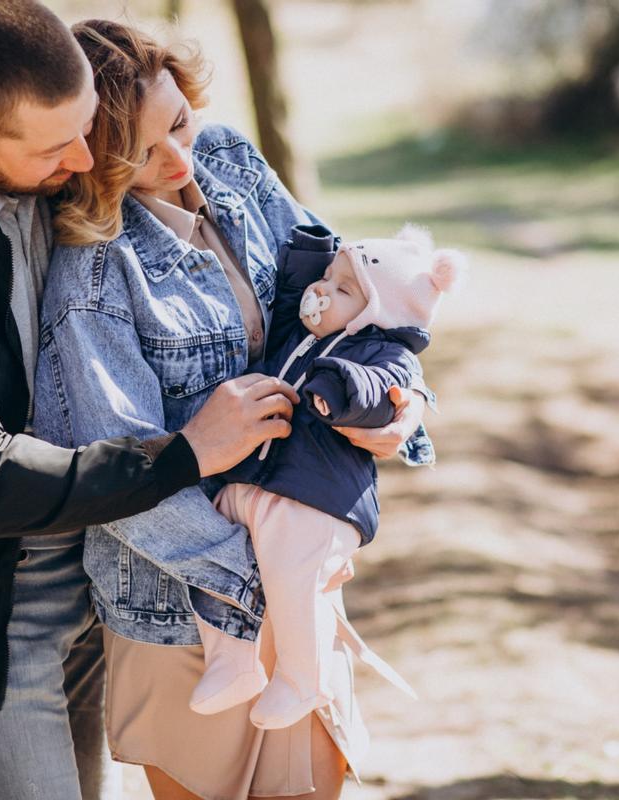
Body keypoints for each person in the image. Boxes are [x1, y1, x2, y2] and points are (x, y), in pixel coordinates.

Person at [0, 2, 301, 798]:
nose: (85, 160)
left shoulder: (23, 115)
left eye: (89, 129)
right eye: (57, 147)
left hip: (96, 557)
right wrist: (184, 453)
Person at [32, 18, 432, 800]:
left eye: (179, 121)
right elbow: (113, 475)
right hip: (180, 605)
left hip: (297, 575)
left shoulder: (231, 160)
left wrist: (404, 403)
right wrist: (267, 575)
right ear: (89, 159)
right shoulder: (92, 275)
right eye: (140, 154)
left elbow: (363, 297)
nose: (180, 161)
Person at [189, 222, 463, 731]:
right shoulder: (304, 331)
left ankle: (303, 676)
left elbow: (381, 393)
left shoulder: (383, 354)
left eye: (342, 288)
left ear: (376, 312)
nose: (322, 292)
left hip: (315, 500)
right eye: (328, 277)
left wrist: (340, 387)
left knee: (295, 581)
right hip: (256, 481)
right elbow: (295, 290)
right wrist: (310, 253)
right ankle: (230, 659)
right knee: (207, 544)